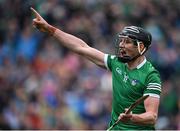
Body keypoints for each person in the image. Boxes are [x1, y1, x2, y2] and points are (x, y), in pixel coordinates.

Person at [30, 7, 161, 130]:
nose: (121, 45)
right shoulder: (116, 63)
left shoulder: (150, 75)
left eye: (126, 42)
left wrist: (133, 118)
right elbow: (81, 47)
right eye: (121, 41)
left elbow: (152, 117)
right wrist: (50, 30)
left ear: (141, 47)